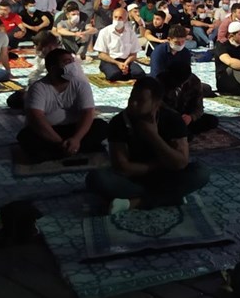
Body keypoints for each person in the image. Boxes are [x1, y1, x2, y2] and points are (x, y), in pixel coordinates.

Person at [86, 76, 210, 213]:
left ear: (156, 103)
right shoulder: (118, 122)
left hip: (167, 177)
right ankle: (169, 197)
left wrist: (153, 136)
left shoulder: (173, 119)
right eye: (131, 98)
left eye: (140, 101)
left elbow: (181, 163)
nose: (133, 104)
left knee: (201, 172)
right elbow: (122, 168)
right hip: (133, 180)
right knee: (96, 179)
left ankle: (134, 202)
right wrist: (162, 165)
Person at [16, 48, 108, 162]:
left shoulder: (81, 84)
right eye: (67, 62)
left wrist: (76, 139)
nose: (73, 66)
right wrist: (59, 142)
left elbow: (88, 112)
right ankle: (72, 149)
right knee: (26, 136)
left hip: (75, 129)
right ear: (53, 68)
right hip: (49, 132)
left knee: (101, 126)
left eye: (72, 61)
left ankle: (63, 150)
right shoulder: (38, 88)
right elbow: (36, 118)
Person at [150, 24, 218, 134]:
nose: (180, 45)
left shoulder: (185, 54)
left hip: (182, 97)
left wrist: (190, 117)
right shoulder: (159, 53)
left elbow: (198, 108)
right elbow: (156, 76)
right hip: (165, 86)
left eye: (183, 42)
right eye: (177, 42)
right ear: (169, 40)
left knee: (211, 117)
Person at [94, 8, 145, 81]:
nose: (117, 20)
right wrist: (117, 63)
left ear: (125, 19)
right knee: (113, 75)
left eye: (120, 18)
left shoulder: (131, 33)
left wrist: (126, 64)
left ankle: (124, 72)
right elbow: (101, 54)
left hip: (126, 61)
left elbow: (134, 54)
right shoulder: (104, 32)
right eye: (115, 17)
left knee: (140, 74)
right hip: (110, 61)